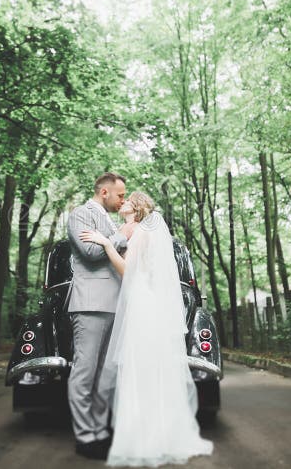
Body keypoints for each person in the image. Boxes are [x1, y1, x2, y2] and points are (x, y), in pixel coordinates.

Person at [80, 191, 213, 467]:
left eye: (127, 200)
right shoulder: (141, 232)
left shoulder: (140, 232)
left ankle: (144, 438)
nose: (122, 202)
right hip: (146, 303)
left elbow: (128, 271)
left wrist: (106, 244)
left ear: (136, 207)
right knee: (148, 370)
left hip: (141, 305)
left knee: (139, 370)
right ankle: (153, 432)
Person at [66, 172, 138, 460]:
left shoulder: (109, 221)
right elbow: (90, 252)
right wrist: (122, 235)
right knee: (85, 372)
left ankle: (99, 432)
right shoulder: (80, 214)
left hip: (117, 306)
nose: (123, 199)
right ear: (104, 192)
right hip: (91, 305)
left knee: (106, 375)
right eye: (120, 194)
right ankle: (85, 437)